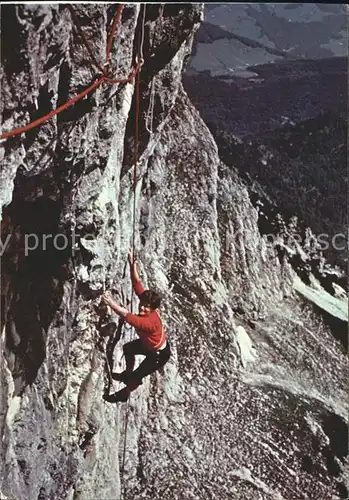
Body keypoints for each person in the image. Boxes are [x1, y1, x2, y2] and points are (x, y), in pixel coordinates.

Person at [101, 252, 170, 402]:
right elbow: (137, 284)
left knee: (137, 376)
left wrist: (110, 302)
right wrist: (133, 265)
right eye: (143, 305)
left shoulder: (149, 322)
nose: (142, 308)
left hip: (158, 354)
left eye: (147, 308)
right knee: (128, 349)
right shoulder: (147, 304)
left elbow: (126, 315)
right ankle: (127, 373)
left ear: (152, 310)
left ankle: (124, 393)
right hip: (149, 344)